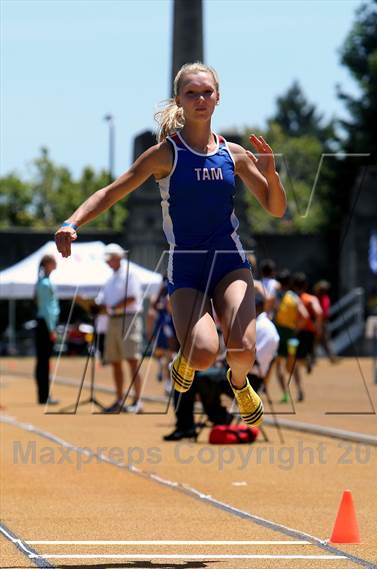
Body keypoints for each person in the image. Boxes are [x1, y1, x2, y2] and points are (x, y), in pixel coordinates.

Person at [54, 62, 287, 427]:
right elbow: (112, 192)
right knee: (204, 354)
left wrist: (271, 175)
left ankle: (239, 383)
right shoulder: (166, 154)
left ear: (218, 98)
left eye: (206, 92)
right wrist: (71, 222)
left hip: (229, 262)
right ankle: (187, 357)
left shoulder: (234, 154)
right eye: (191, 93)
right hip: (188, 266)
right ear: (179, 100)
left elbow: (275, 208)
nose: (200, 99)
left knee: (243, 351)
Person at [163, 293, 279, 440]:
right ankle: (189, 424)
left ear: (255, 307)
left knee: (201, 378)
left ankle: (217, 417)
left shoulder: (266, 328)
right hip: (233, 371)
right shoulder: (253, 323)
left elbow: (254, 359)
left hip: (249, 378)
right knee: (193, 374)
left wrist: (230, 357)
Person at [95, 243, 144, 413]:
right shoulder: (110, 279)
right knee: (115, 361)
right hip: (113, 321)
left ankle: (137, 401)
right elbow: (103, 300)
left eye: (110, 259)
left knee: (132, 360)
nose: (108, 263)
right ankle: (119, 399)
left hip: (128, 319)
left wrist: (111, 307)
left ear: (118, 258)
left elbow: (132, 298)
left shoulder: (130, 275)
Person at [273, 270, 309, 403]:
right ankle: (299, 390)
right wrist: (296, 329)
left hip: (278, 333)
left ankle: (285, 394)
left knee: (279, 365)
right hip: (290, 334)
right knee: (293, 365)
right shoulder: (294, 297)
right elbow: (305, 316)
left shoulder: (276, 296)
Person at [34, 254, 60, 405]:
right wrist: (51, 329)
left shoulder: (44, 282)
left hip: (45, 323)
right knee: (44, 361)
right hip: (45, 323)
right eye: (53, 262)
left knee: (43, 361)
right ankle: (43, 395)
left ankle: (44, 395)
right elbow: (47, 308)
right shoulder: (44, 283)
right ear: (47, 264)